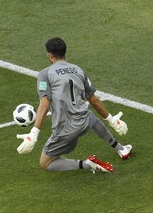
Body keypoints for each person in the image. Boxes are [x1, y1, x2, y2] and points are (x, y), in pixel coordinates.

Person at [16, 37, 132, 173]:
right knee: (91, 117)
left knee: (45, 163)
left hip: (65, 131)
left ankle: (88, 164)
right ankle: (121, 149)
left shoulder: (45, 74)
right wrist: (112, 120)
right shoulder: (78, 70)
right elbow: (93, 100)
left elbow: (44, 105)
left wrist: (34, 133)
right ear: (65, 52)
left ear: (49, 55)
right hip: (85, 122)